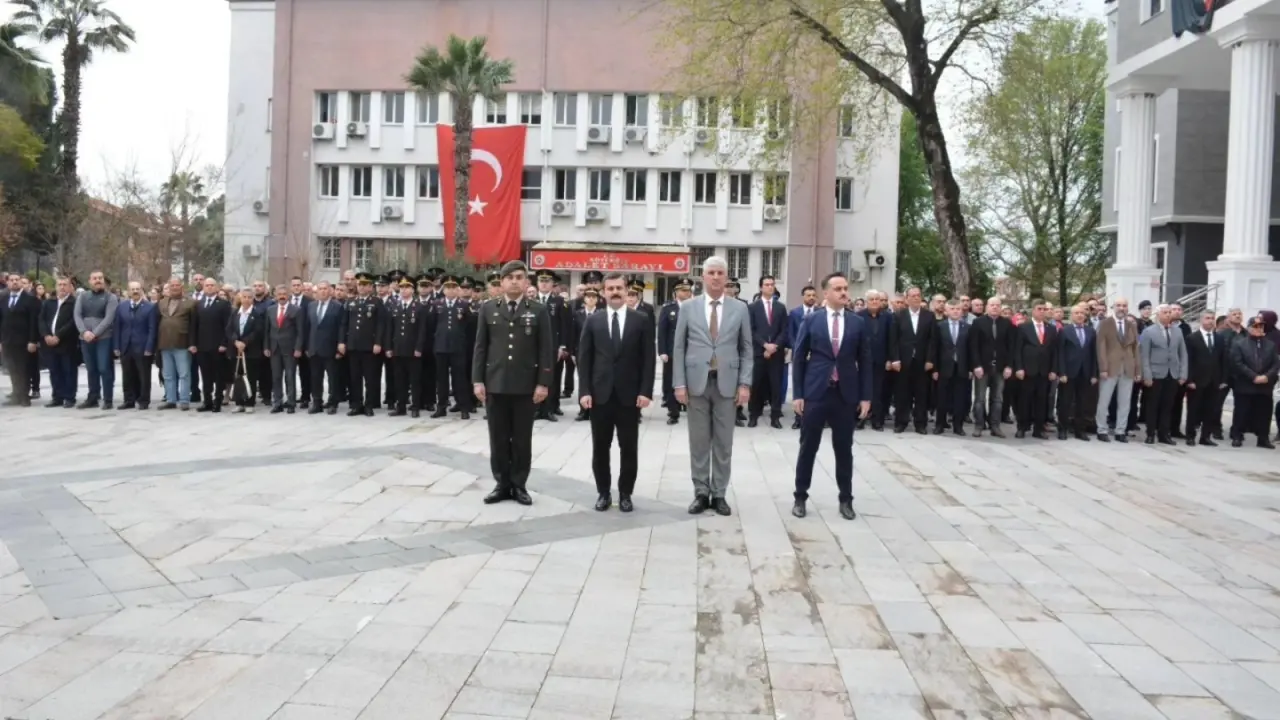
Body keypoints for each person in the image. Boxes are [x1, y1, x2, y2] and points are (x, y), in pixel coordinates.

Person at [673, 255, 753, 517]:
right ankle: (700, 492)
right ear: (703, 277)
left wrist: (745, 383)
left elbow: (746, 348)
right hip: (696, 383)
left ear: (726, 277)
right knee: (698, 441)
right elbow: (679, 347)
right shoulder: (689, 307)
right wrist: (679, 383)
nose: (716, 277)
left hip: (727, 384)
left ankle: (719, 494)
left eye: (720, 273)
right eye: (711, 273)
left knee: (723, 442)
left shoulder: (740, 309)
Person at [789, 272, 871, 520]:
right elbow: (799, 357)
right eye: (838, 289)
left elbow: (865, 361)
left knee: (844, 449)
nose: (844, 292)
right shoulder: (812, 320)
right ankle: (800, 496)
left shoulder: (857, 322)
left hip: (845, 395)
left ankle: (846, 499)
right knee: (808, 447)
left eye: (845, 288)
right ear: (826, 293)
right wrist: (798, 394)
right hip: (816, 392)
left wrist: (865, 397)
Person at [473, 260, 555, 506]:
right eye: (510, 278)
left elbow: (545, 349)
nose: (515, 281)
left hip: (525, 385)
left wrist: (543, 383)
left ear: (526, 281)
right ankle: (501, 484)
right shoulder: (488, 308)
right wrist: (477, 380)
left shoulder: (538, 310)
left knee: (521, 438)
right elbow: (480, 347)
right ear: (502, 282)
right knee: (498, 438)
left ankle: (519, 484)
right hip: (495, 383)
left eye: (519, 277)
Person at [577, 272, 655, 512]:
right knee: (600, 448)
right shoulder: (594, 321)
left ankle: (625, 494)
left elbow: (648, 359)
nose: (615, 292)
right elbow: (584, 358)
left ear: (626, 289)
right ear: (603, 292)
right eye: (610, 288)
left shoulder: (641, 320)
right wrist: (584, 391)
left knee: (628, 448)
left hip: (629, 396)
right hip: (600, 396)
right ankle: (603, 493)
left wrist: (645, 391)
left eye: (619, 288)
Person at [1139, 304, 1188, 445]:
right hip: (1155, 374)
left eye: (1169, 312)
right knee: (1152, 406)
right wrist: (1147, 375)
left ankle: (1164, 434)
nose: (1168, 314)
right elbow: (1144, 356)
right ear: (1158, 314)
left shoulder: (1177, 332)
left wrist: (1183, 374)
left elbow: (1183, 354)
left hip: (1172, 374)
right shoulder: (1149, 332)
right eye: (1165, 312)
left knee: (1168, 406)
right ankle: (1150, 434)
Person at [888, 287, 936, 434]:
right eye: (913, 295)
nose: (916, 298)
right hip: (903, 361)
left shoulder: (929, 316)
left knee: (921, 393)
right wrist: (895, 359)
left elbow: (932, 340)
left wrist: (930, 359)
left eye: (918, 295)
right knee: (902, 393)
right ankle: (901, 422)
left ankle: (920, 424)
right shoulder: (898, 315)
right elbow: (893, 339)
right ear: (906, 298)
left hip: (922, 361)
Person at [341, 272, 387, 417]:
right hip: (353, 345)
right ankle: (357, 405)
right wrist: (342, 341)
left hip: (369, 346)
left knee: (370, 378)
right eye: (360, 284)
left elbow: (380, 324)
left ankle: (369, 405)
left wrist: (378, 342)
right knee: (355, 377)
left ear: (370, 287)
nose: (361, 287)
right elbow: (344, 324)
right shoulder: (351, 302)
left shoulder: (376, 302)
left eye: (365, 285)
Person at [1229, 315, 1279, 448]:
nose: (1259, 328)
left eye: (1261, 326)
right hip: (1245, 384)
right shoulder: (1240, 344)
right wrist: (1253, 376)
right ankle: (1237, 436)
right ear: (1249, 327)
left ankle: (1263, 438)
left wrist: (1267, 376)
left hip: (1265, 385)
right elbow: (1238, 363)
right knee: (1241, 412)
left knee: (1264, 413)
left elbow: (1275, 364)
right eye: (1256, 326)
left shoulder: (1270, 345)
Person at [73, 271, 120, 409]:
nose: (98, 280)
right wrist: (84, 332)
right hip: (85, 338)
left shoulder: (111, 297)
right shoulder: (82, 296)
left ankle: (108, 399)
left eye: (100, 278)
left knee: (104, 368)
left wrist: (95, 333)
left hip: (103, 338)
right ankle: (93, 397)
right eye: (94, 278)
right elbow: (77, 315)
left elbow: (109, 318)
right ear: (89, 281)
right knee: (91, 368)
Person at [1094, 298, 1139, 443]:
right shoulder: (1105, 324)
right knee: (1104, 401)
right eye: (1119, 305)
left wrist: (1137, 370)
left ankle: (1120, 431)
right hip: (1110, 368)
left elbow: (1136, 348)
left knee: (1125, 402)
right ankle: (1101, 429)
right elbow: (1100, 347)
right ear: (1113, 307)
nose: (1121, 308)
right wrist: (1103, 368)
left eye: (1124, 306)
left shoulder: (1131, 325)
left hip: (1128, 368)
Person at [430, 274, 473, 420]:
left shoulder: (464, 305)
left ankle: (463, 407)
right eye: (448, 287)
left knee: (460, 379)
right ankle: (441, 407)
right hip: (441, 347)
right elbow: (432, 325)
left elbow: (469, 327)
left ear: (458, 289)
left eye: (454, 287)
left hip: (458, 348)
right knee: (441, 379)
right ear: (443, 290)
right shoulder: (437, 304)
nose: (451, 290)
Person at [1012, 300, 1057, 439]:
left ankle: (1039, 429)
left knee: (1041, 401)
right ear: (1033, 310)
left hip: (1044, 371)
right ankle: (1022, 427)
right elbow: (1017, 349)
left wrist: (1053, 370)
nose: (1042, 311)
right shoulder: (1023, 327)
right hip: (1027, 370)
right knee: (1025, 400)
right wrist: (1019, 367)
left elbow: (1054, 351)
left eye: (1044, 309)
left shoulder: (1051, 328)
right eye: (1039, 309)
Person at [386, 275, 430, 417]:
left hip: (412, 350)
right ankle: (401, 406)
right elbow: (390, 329)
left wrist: (419, 348)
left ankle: (415, 406)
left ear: (412, 289)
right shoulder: (395, 306)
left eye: (407, 287)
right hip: (398, 349)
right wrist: (389, 347)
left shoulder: (419, 307)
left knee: (415, 380)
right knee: (399, 380)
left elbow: (422, 330)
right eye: (402, 287)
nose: (404, 290)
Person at [968, 296, 1012, 438]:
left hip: (1000, 367)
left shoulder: (1007, 323)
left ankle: (995, 426)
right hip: (982, 367)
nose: (995, 307)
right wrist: (976, 365)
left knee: (997, 399)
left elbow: (1011, 346)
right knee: (980, 398)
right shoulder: (978, 322)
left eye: (997, 305)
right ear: (987, 307)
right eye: (992, 305)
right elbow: (973, 346)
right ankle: (979, 425)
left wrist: (1009, 366)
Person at [747, 274, 787, 429]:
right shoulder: (753, 307)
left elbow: (784, 330)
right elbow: (751, 330)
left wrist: (774, 346)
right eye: (767, 284)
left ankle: (775, 416)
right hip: (759, 353)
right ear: (761, 287)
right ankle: (753, 415)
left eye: (772, 284)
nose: (770, 287)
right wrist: (764, 345)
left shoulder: (780, 307)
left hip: (776, 353)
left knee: (776, 385)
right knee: (756, 384)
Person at [1054, 304, 1098, 441]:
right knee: (1065, 402)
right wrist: (1061, 372)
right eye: (1076, 313)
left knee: (1082, 402)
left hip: (1085, 373)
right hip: (1069, 373)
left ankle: (1080, 430)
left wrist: (1094, 374)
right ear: (1071, 315)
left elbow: (1094, 354)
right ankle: (1063, 428)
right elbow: (1060, 353)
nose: (1079, 315)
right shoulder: (1064, 331)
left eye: (1082, 313)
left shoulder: (1091, 331)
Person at [113, 281, 158, 410]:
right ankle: (129, 400)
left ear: (142, 290)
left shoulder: (150, 307)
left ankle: (143, 400)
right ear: (128, 291)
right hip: (126, 346)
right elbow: (117, 328)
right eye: (133, 289)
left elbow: (152, 329)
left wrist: (149, 347)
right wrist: (116, 346)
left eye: (138, 289)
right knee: (127, 375)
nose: (135, 291)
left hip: (143, 347)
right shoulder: (121, 306)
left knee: (143, 375)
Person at [533, 270, 571, 422]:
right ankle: (536, 409)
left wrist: (562, 346)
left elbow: (564, 325)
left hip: (553, 346)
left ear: (552, 284)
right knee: (535, 377)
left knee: (552, 378)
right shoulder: (531, 300)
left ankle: (549, 409)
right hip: (534, 346)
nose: (544, 284)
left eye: (547, 281)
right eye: (541, 281)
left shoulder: (559, 302)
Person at [1185, 310, 1227, 446]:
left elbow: (1223, 360)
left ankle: (1205, 437)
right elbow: (1188, 360)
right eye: (1207, 318)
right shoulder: (1192, 338)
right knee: (1193, 409)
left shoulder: (1219, 338)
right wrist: (1189, 379)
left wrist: (1223, 379)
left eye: (1212, 318)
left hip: (1214, 381)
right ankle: (1190, 436)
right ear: (1201, 320)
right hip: (1197, 381)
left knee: (1210, 410)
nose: (1210, 321)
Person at [154, 278, 197, 410]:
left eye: (177, 285)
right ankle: (171, 400)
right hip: (165, 343)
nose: (174, 287)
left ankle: (184, 400)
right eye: (172, 285)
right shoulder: (161, 303)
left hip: (182, 343)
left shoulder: (191, 303)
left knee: (184, 374)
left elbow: (194, 325)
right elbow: (157, 322)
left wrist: (192, 343)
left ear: (181, 287)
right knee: (168, 374)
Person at [929, 298, 970, 435]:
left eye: (958, 309)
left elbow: (971, 349)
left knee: (959, 398)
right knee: (942, 398)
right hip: (944, 368)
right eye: (952, 309)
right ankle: (940, 424)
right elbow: (934, 348)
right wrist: (935, 369)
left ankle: (958, 426)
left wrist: (971, 368)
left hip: (962, 368)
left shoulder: (967, 327)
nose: (955, 311)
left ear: (962, 311)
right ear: (946, 311)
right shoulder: (940, 326)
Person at [265, 284, 307, 413]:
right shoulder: (270, 310)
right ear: (275, 296)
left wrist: (298, 348)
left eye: (284, 294)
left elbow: (300, 331)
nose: (282, 296)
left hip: (290, 349)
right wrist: (266, 347)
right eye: (279, 294)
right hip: (274, 348)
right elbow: (267, 330)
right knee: (276, 377)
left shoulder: (296, 310)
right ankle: (277, 402)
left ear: (288, 295)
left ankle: (291, 403)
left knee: (290, 377)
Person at [39, 276, 80, 408]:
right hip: (49, 343)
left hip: (67, 342)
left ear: (70, 287)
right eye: (60, 285)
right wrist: (46, 335)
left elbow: (73, 322)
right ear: (56, 287)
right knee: (54, 370)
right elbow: (41, 320)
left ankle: (69, 397)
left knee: (68, 370)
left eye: (65, 285)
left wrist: (58, 336)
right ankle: (57, 396)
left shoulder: (74, 303)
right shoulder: (48, 303)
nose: (62, 287)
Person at [0, 272, 40, 406]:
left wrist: (33, 340)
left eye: (17, 279)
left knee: (23, 369)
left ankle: (24, 396)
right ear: (7, 283)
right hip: (8, 340)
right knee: (12, 369)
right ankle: (16, 395)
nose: (14, 282)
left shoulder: (29, 299)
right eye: (11, 280)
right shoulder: (3, 299)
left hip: (24, 341)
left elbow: (34, 321)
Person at [305, 281, 345, 415]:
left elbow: (341, 327)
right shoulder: (311, 306)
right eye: (320, 289)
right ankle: (317, 402)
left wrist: (340, 345)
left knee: (333, 378)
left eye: (325, 289)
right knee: (315, 377)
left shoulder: (337, 307)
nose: (322, 291)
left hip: (330, 348)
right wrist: (307, 346)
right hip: (314, 348)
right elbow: (307, 327)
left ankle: (333, 403)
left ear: (330, 291)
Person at [193, 278, 232, 412]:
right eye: (207, 285)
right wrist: (193, 343)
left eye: (212, 285)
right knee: (205, 375)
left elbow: (228, 326)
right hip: (202, 346)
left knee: (219, 375)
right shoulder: (199, 304)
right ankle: (207, 401)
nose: (209, 287)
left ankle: (218, 401)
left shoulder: (223, 304)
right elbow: (194, 325)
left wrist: (224, 343)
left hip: (218, 346)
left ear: (216, 287)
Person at [658, 278, 693, 425]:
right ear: (676, 292)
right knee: (671, 382)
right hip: (672, 352)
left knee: (692, 381)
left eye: (688, 290)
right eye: (683, 290)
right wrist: (662, 351)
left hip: (691, 351)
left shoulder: (695, 307)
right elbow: (662, 331)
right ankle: (673, 412)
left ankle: (691, 409)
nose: (686, 293)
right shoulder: (668, 308)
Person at [227, 289, 264, 413]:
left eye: (249, 297)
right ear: (240, 298)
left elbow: (257, 331)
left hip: (251, 351)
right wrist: (235, 341)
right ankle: (239, 403)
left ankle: (249, 402)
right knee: (238, 376)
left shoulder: (256, 314)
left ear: (252, 299)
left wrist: (245, 342)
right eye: (244, 297)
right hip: (236, 350)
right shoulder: (235, 313)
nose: (246, 299)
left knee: (250, 377)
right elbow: (229, 329)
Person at [286, 276, 313, 409]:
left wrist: (307, 345)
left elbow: (310, 324)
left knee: (305, 372)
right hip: (288, 343)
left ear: (302, 287)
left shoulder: (310, 302)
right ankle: (290, 397)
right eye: (294, 285)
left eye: (298, 285)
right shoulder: (286, 301)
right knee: (289, 372)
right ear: (291, 287)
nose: (296, 287)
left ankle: (305, 397)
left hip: (304, 343)